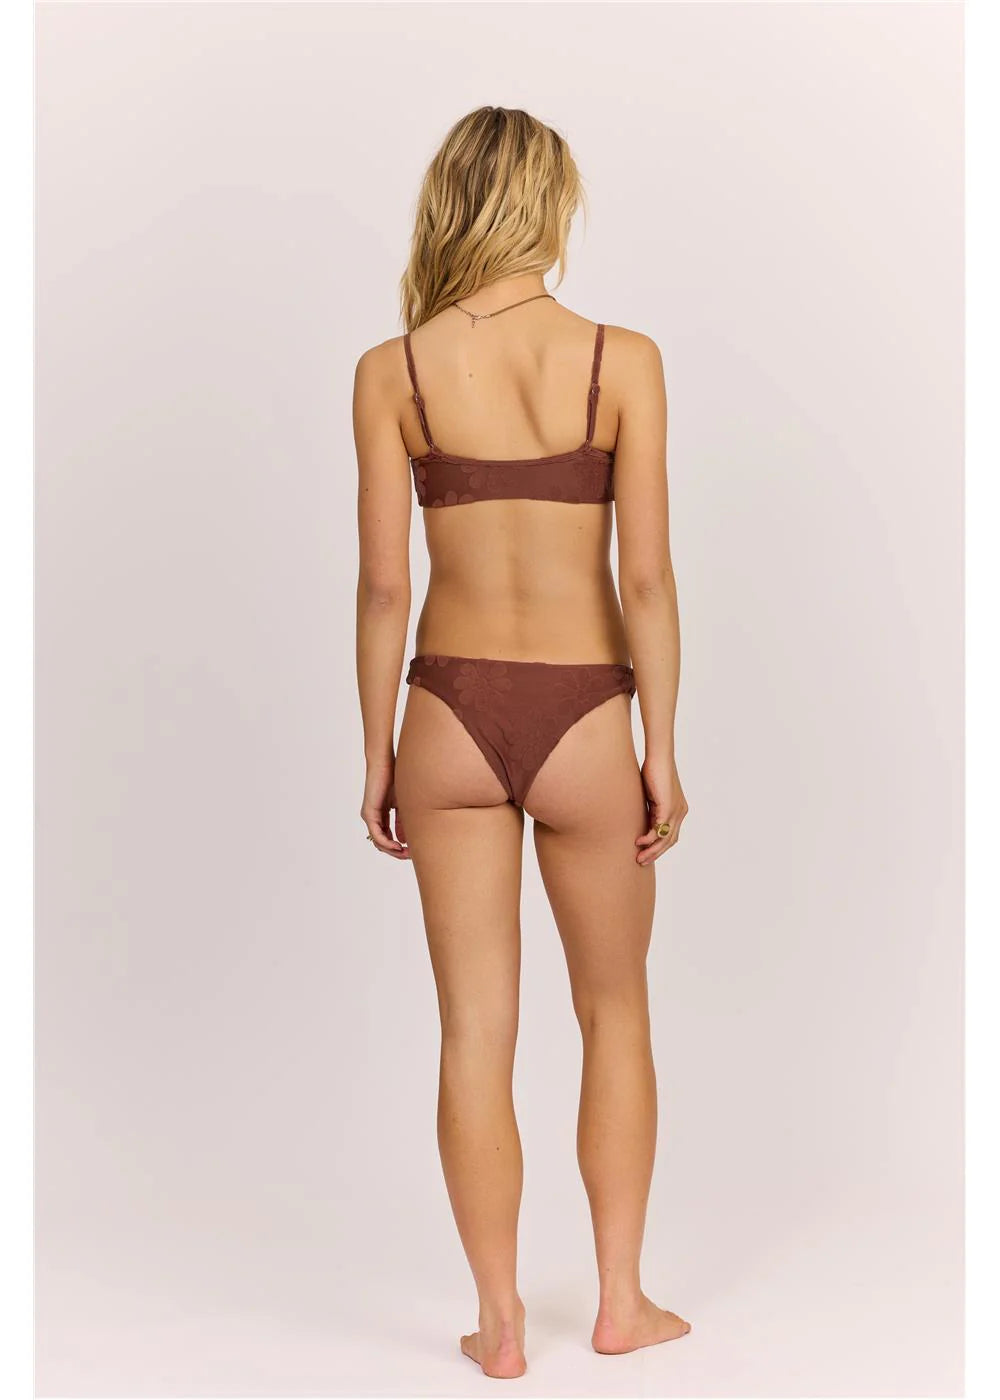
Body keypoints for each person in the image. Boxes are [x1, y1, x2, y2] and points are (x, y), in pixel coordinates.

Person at [353, 105, 689, 1380]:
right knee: (614, 1009)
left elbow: (384, 585)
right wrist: (662, 744)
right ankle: (620, 1302)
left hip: (445, 712)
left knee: (472, 1030)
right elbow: (644, 578)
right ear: (548, 204)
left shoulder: (392, 371)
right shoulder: (620, 359)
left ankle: (498, 1322)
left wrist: (378, 749)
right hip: (586, 714)